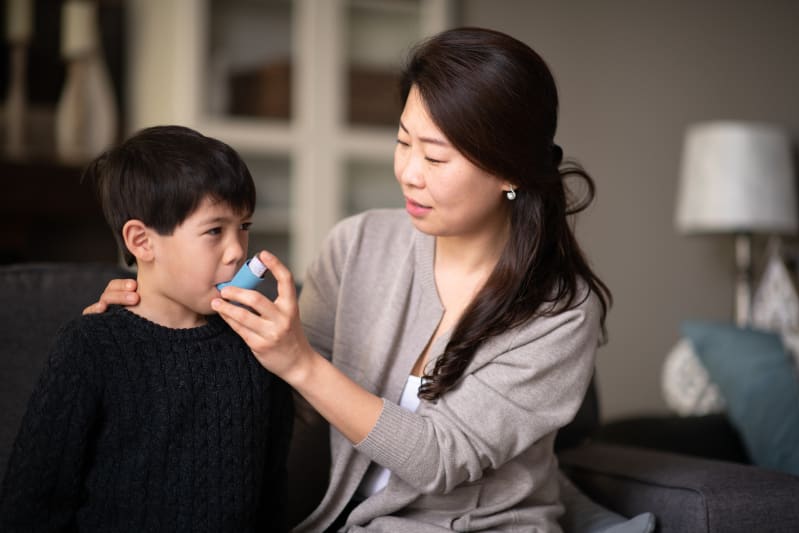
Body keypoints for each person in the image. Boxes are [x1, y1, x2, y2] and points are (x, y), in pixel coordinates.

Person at [86, 27, 612, 532]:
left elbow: (440, 459)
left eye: (435, 156)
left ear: (510, 170)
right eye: (404, 142)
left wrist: (301, 363)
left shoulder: (560, 310)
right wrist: (160, 316)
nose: (409, 172)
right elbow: (270, 389)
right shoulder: (359, 243)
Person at [0, 125, 294, 532]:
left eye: (243, 227)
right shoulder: (90, 347)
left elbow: (272, 497)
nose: (237, 251)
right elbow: (31, 505)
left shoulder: (257, 347)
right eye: (215, 230)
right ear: (142, 241)